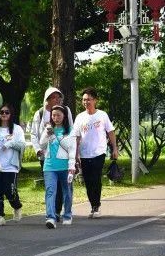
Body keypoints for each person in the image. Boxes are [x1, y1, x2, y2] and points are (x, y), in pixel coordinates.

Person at [73, 87, 117, 219]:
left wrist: (115, 148)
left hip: (99, 153)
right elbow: (77, 137)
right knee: (88, 181)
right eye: (84, 100)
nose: (86, 102)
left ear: (95, 100)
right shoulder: (80, 117)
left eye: (89, 99)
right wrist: (76, 155)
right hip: (84, 154)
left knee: (96, 178)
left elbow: (110, 132)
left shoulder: (102, 115)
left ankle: (96, 206)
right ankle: (93, 205)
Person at [31, 87, 73, 216]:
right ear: (47, 99)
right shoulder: (40, 113)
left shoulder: (66, 110)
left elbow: (71, 128)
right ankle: (52, 212)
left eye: (58, 97)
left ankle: (57, 210)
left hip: (63, 154)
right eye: (53, 97)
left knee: (62, 186)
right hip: (46, 155)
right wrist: (38, 149)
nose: (57, 99)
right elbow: (34, 134)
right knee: (51, 185)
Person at [40, 105, 76, 228]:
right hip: (49, 166)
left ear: (64, 116)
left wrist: (72, 166)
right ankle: (50, 217)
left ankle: (67, 214)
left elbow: (71, 148)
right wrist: (47, 133)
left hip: (65, 166)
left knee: (67, 192)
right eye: (53, 115)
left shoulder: (70, 130)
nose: (56, 118)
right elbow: (42, 145)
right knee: (50, 191)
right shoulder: (49, 129)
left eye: (58, 115)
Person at [0, 104, 25, 226]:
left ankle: (17, 206)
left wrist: (9, 144)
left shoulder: (17, 129)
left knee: (9, 191)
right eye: (2, 112)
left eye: (7, 112)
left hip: (11, 165)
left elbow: (22, 145)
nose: (4, 114)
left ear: (11, 114)